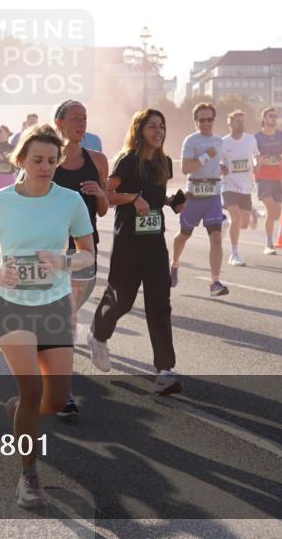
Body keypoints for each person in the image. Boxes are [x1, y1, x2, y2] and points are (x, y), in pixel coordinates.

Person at [0, 123, 95, 509]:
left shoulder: (69, 201)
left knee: (53, 401)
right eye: (37, 159)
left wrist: (65, 260)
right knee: (31, 389)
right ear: (20, 160)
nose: (46, 166)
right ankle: (29, 475)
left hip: (54, 305)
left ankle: (20, 413)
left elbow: (88, 251)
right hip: (11, 305)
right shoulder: (0, 202)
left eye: (52, 160)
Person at [88, 108, 186, 394]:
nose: (158, 131)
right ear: (139, 130)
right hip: (129, 241)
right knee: (122, 300)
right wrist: (132, 198)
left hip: (155, 242)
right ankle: (97, 333)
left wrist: (171, 202)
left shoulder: (164, 161)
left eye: (162, 126)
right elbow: (106, 195)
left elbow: (154, 196)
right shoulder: (128, 161)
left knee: (160, 304)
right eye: (152, 126)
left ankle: (164, 370)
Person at [51, 101, 109, 417]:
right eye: (75, 118)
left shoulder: (97, 160)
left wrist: (100, 194)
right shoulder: (46, 160)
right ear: (59, 122)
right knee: (66, 317)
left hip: (86, 250)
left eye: (85, 118)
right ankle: (64, 392)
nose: (82, 123)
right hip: (53, 251)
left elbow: (102, 210)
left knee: (66, 316)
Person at [172, 103, 229, 296]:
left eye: (209, 119)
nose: (205, 123)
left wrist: (221, 167)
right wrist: (206, 156)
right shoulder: (191, 141)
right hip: (194, 195)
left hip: (213, 193)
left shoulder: (219, 141)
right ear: (195, 121)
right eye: (201, 120)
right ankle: (174, 264)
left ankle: (215, 282)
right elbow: (186, 168)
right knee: (184, 235)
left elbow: (216, 159)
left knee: (216, 238)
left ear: (214, 120)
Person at [220, 110, 260, 266]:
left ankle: (227, 222)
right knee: (236, 217)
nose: (241, 124)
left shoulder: (251, 139)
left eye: (243, 122)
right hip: (229, 184)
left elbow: (256, 156)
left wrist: (256, 165)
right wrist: (221, 167)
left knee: (243, 224)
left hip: (245, 186)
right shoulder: (223, 142)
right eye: (238, 122)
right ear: (230, 124)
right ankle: (234, 254)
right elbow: (217, 161)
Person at [253, 107, 282, 255]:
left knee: (277, 214)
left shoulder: (281, 135)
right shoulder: (257, 137)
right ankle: (269, 243)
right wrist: (258, 161)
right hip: (262, 176)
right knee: (271, 208)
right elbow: (253, 156)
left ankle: (256, 214)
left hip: (277, 176)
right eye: (270, 116)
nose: (273, 118)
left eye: (275, 116)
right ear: (264, 118)